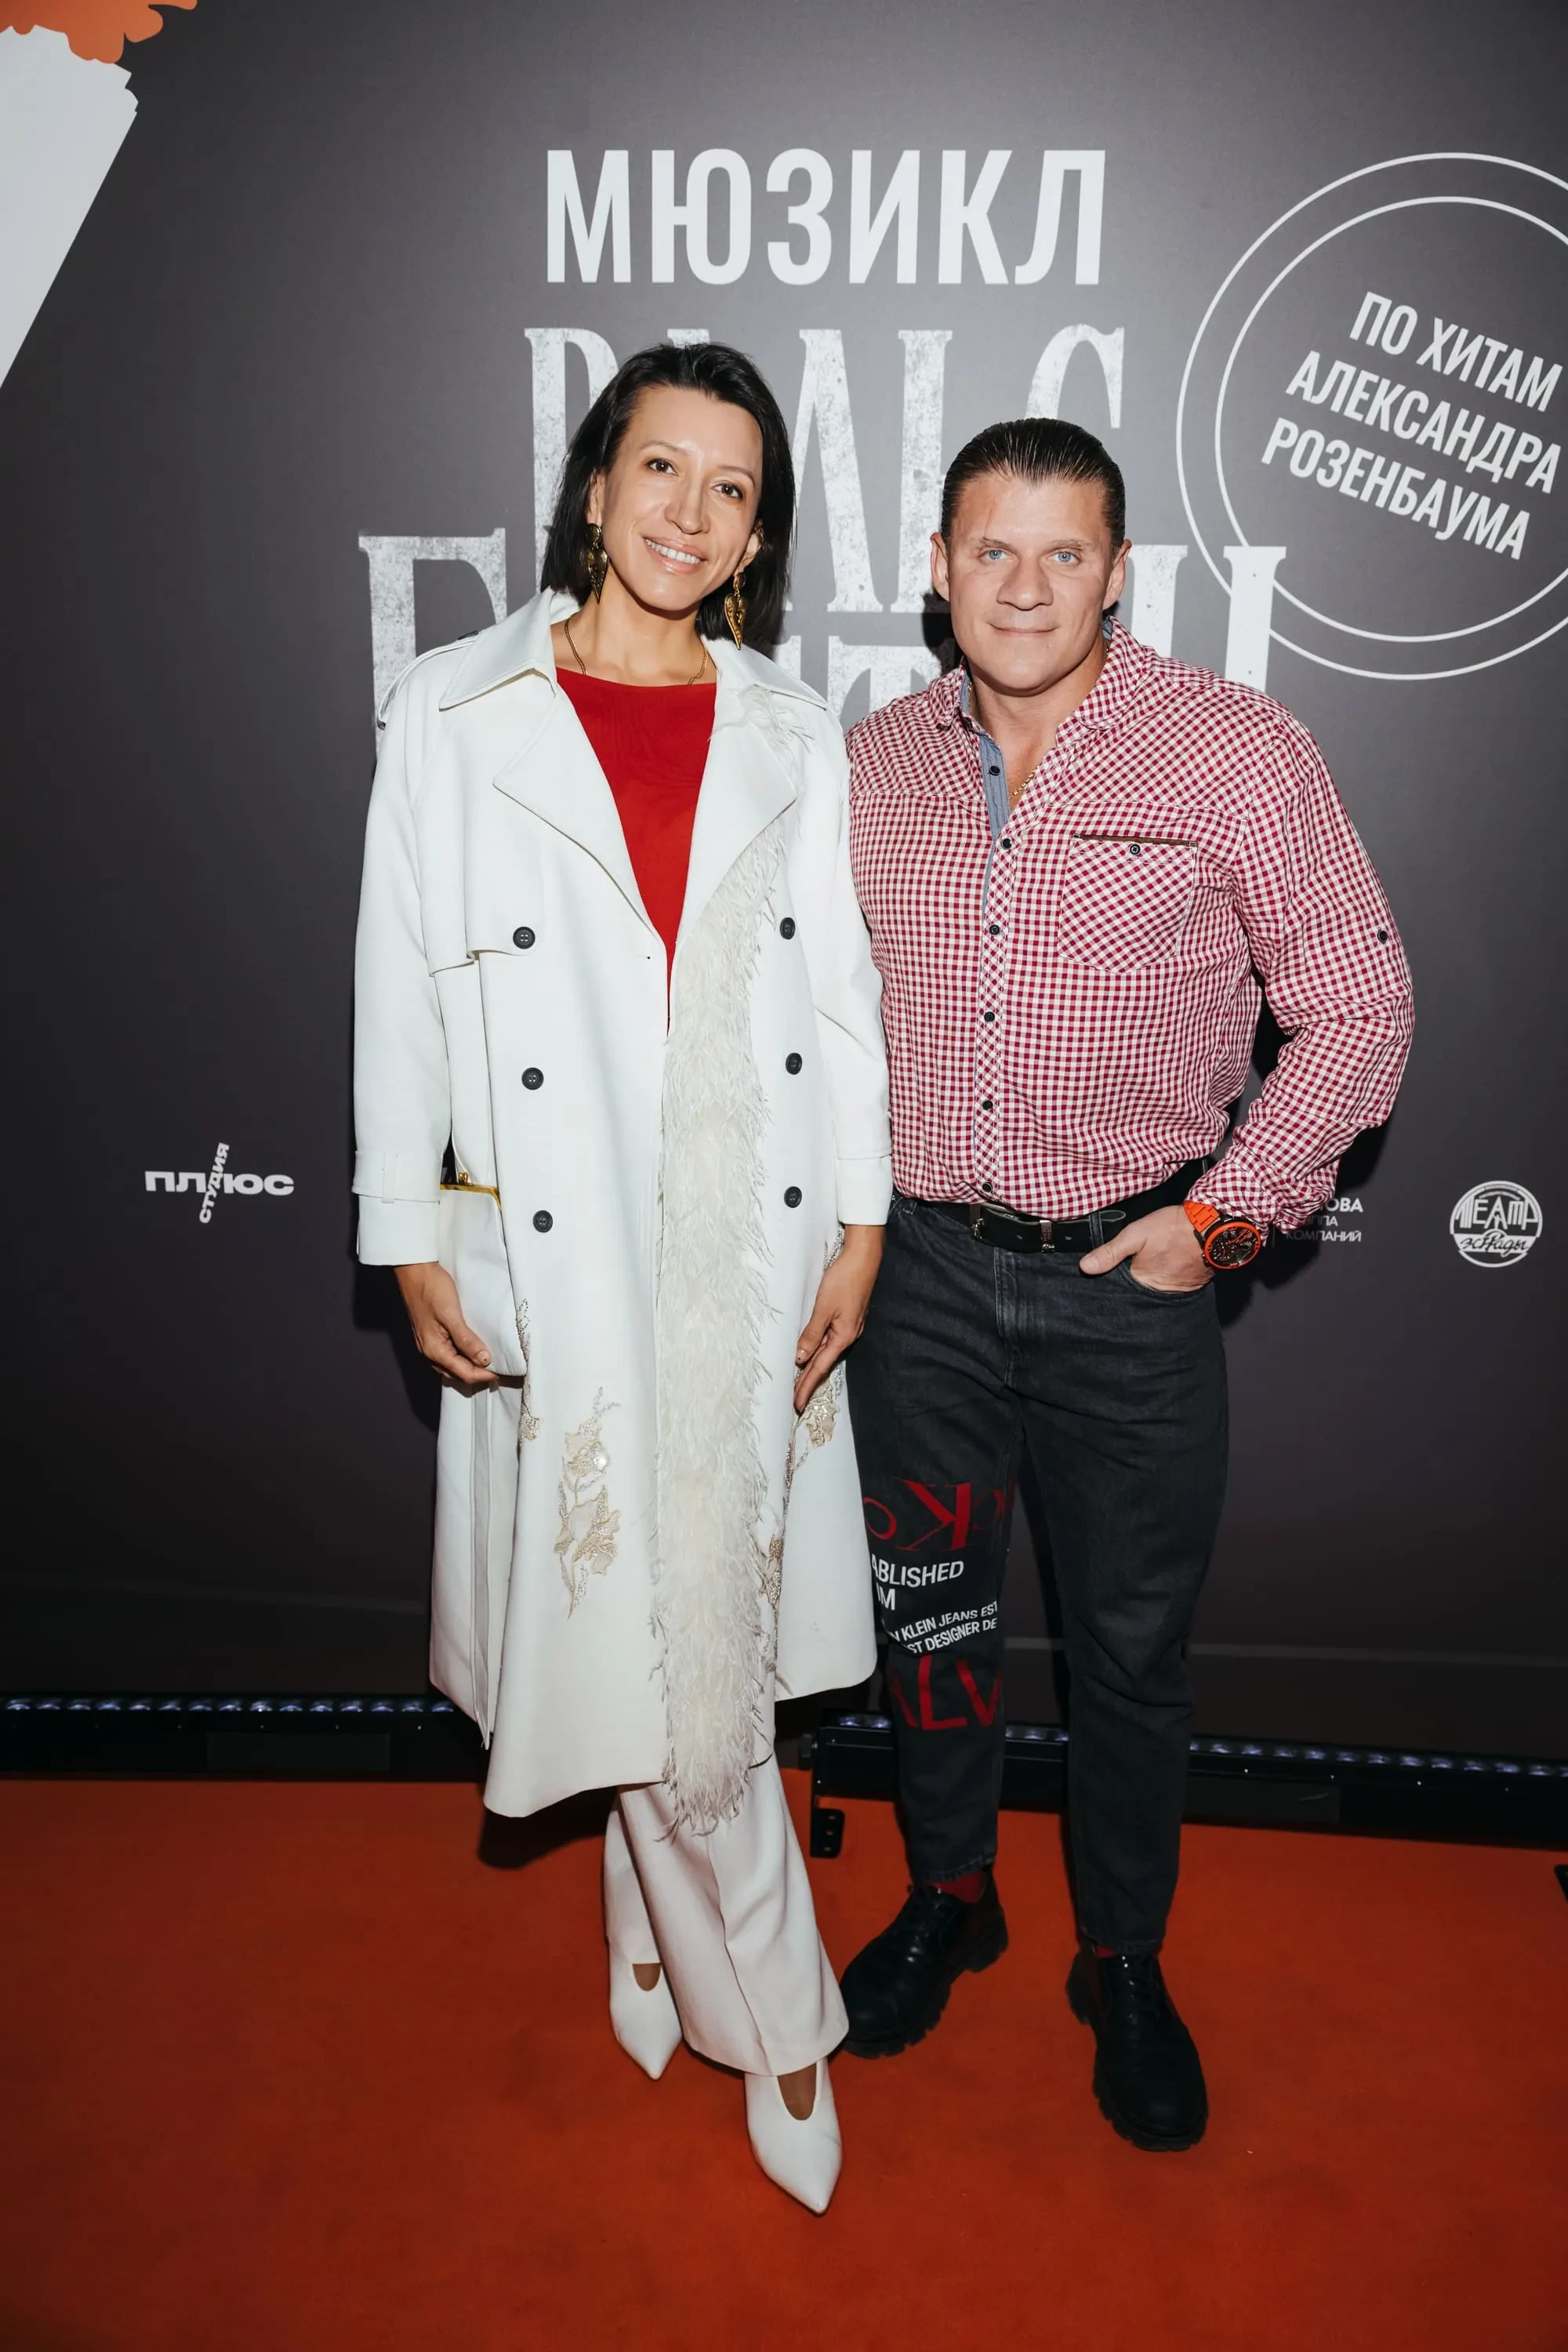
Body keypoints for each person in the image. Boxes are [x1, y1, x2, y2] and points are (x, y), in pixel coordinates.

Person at [353, 342, 890, 2212]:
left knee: (694, 1631)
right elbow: (403, 980)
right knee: (638, 1627)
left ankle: (650, 1929)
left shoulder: (792, 726)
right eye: (661, 468)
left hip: (747, 1243)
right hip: (557, 1239)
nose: (690, 512)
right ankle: (786, 2020)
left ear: (757, 537)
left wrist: (865, 1219)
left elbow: (840, 993)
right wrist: (403, 1226)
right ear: (593, 489)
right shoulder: (452, 707)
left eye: (732, 489)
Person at [839, 417, 1413, 2150]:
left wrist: (1221, 1219)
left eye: (1063, 552)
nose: (1024, 587)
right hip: (922, 1285)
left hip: (1128, 1295)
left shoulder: (1233, 751)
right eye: (990, 550)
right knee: (931, 1623)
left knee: (1133, 1656)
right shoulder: (872, 764)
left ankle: (1123, 1958)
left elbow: (1361, 1004)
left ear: (1117, 573)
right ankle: (952, 1893)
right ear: (937, 570)